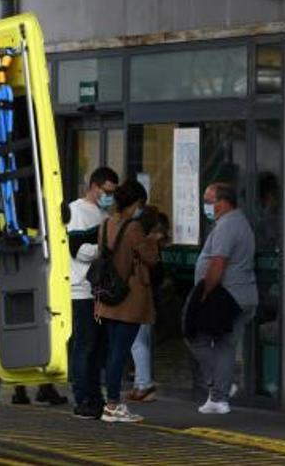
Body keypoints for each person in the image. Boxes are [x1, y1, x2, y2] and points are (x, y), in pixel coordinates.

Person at [94, 181, 160, 423]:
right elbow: (150, 258)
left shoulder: (105, 224)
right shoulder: (133, 228)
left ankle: (111, 403)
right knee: (119, 354)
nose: (140, 209)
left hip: (109, 296)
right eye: (140, 204)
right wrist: (153, 239)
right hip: (129, 299)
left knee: (114, 351)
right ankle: (113, 405)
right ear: (134, 204)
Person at [189, 182, 258, 415]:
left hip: (228, 295)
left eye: (209, 201)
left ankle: (221, 388)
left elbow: (218, 263)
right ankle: (219, 394)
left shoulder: (228, 226)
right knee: (223, 345)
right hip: (239, 295)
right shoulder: (236, 223)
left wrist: (204, 294)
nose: (206, 206)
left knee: (196, 335)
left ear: (224, 202)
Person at [65, 167, 118, 418]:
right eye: (106, 191)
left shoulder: (102, 213)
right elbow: (76, 249)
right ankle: (83, 397)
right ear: (94, 186)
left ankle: (94, 397)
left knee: (97, 347)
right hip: (80, 290)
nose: (109, 196)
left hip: (96, 291)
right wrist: (104, 249)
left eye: (112, 193)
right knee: (84, 345)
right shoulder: (76, 211)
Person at [125, 208, 168, 403]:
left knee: (137, 342)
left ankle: (144, 384)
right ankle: (140, 384)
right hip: (149, 296)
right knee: (143, 340)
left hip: (141, 296)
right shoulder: (153, 244)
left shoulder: (146, 244)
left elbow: (152, 269)